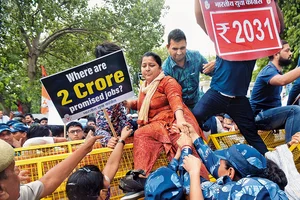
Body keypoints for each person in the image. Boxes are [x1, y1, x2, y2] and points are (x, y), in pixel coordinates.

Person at [192, 0, 285, 154]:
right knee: (195, 117)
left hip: (239, 101)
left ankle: (270, 166)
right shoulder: (223, 36)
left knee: (253, 136)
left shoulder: (255, 42)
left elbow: (277, 28)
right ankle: (199, 158)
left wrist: (272, 3)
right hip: (216, 94)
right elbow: (199, 17)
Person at [121, 52, 209, 199]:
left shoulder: (167, 81)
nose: (147, 69)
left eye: (151, 65)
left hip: (173, 120)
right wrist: (131, 103)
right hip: (158, 124)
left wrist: (180, 120)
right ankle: (143, 178)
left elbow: (175, 99)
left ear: (160, 68)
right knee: (142, 133)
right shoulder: (144, 87)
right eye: (144, 66)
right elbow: (144, 105)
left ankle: (202, 186)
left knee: (183, 145)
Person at [145, 122, 288, 199]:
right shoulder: (258, 176)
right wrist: (194, 137)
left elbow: (191, 188)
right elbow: (214, 165)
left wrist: (190, 160)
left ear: (230, 173)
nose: (216, 162)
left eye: (221, 161)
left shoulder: (244, 190)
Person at [0, 130, 102, 200]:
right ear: (1, 191)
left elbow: (49, 181)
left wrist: (85, 148)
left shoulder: (18, 195)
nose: (18, 171)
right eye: (13, 170)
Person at [250, 40, 300, 142]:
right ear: (276, 54)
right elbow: (283, 81)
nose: (290, 53)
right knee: (294, 110)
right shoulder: (268, 71)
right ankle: (291, 149)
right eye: (287, 50)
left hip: (267, 116)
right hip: (258, 117)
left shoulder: (277, 72)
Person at [66, 126, 132, 200]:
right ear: (102, 194)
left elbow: (112, 164)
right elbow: (111, 165)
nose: (105, 178)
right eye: (103, 178)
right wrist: (122, 139)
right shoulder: (103, 190)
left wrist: (121, 140)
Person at [162, 29, 214, 110]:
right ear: (168, 47)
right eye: (175, 49)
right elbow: (171, 97)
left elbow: (216, 73)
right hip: (180, 108)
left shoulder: (196, 56)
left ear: (186, 44)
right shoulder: (165, 70)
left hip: (199, 101)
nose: (179, 52)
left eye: (182, 48)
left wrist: (217, 62)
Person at [94, 42, 132, 146]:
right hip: (110, 146)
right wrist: (108, 140)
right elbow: (100, 128)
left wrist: (126, 128)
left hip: (123, 140)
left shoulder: (118, 86)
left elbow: (122, 117)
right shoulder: (99, 90)